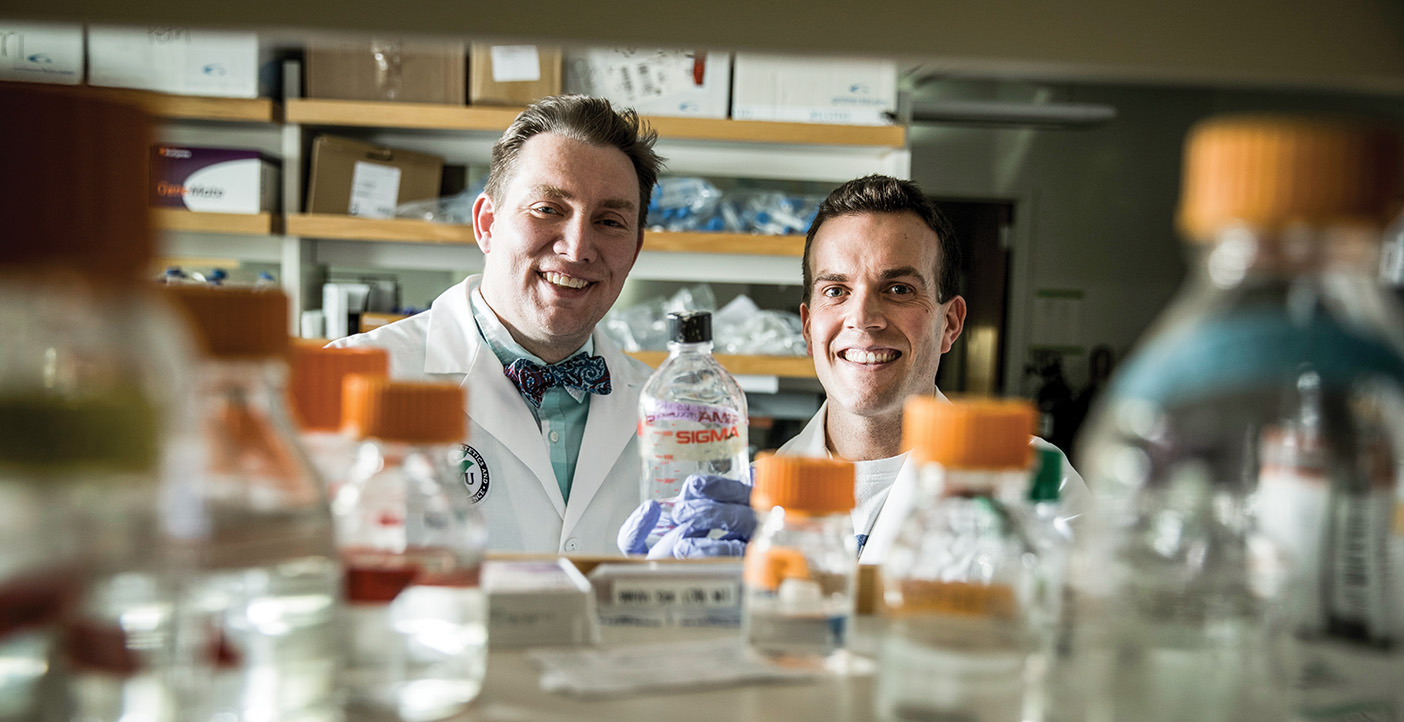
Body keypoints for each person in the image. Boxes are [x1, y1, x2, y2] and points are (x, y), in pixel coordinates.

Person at [619, 175, 1090, 561]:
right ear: (807, 327)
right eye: (835, 290)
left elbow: (1091, 657)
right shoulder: (751, 498)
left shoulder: (1034, 482)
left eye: (899, 289)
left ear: (951, 323)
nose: (863, 318)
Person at [331, 95, 664, 554]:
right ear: (487, 223)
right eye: (548, 209)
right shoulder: (354, 378)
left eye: (610, 221)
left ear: (635, 249)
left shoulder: (665, 409)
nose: (577, 247)